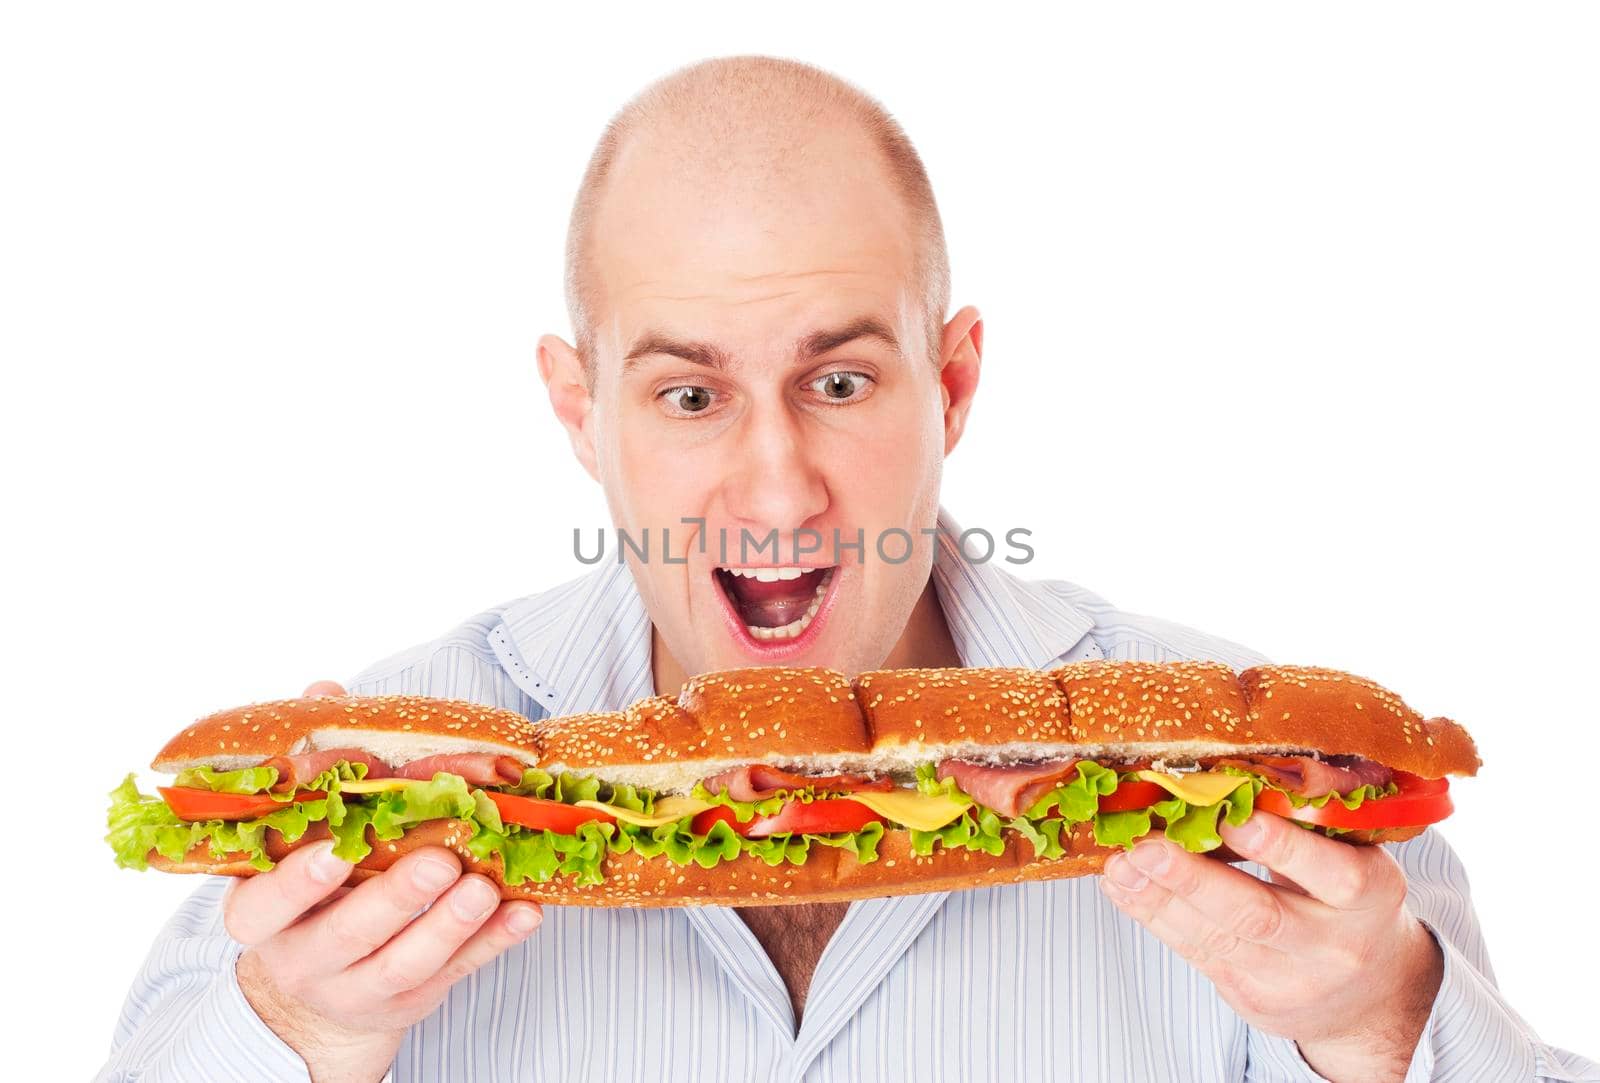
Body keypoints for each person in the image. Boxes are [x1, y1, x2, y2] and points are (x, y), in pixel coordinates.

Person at [99, 56, 1598, 1083]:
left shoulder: (1269, 803)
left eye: (840, 383)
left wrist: (1383, 1024)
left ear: (950, 388)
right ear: (581, 412)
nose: (775, 484)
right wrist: (287, 1029)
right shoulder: (371, 787)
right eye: (689, 396)